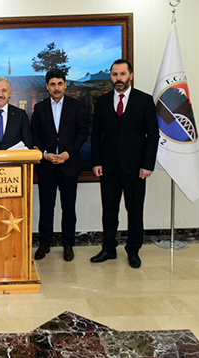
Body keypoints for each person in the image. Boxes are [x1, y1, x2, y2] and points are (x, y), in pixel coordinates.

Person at [90, 59, 159, 269]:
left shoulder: (144, 100)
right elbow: (96, 135)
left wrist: (147, 164)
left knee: (135, 211)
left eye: (122, 74)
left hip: (136, 168)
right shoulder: (102, 102)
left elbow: (153, 135)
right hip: (108, 167)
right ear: (110, 77)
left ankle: (133, 250)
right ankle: (108, 249)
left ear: (131, 75)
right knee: (109, 211)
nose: (118, 78)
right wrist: (96, 161)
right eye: (114, 74)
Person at [31, 69, 88, 262]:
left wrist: (68, 152)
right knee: (46, 207)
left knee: (69, 208)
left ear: (65, 85)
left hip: (69, 164)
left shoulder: (76, 106)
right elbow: (34, 134)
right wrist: (44, 154)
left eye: (60, 84)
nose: (56, 88)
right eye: (52, 84)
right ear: (47, 87)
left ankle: (68, 245)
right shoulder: (40, 108)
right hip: (47, 166)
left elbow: (82, 132)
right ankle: (44, 244)